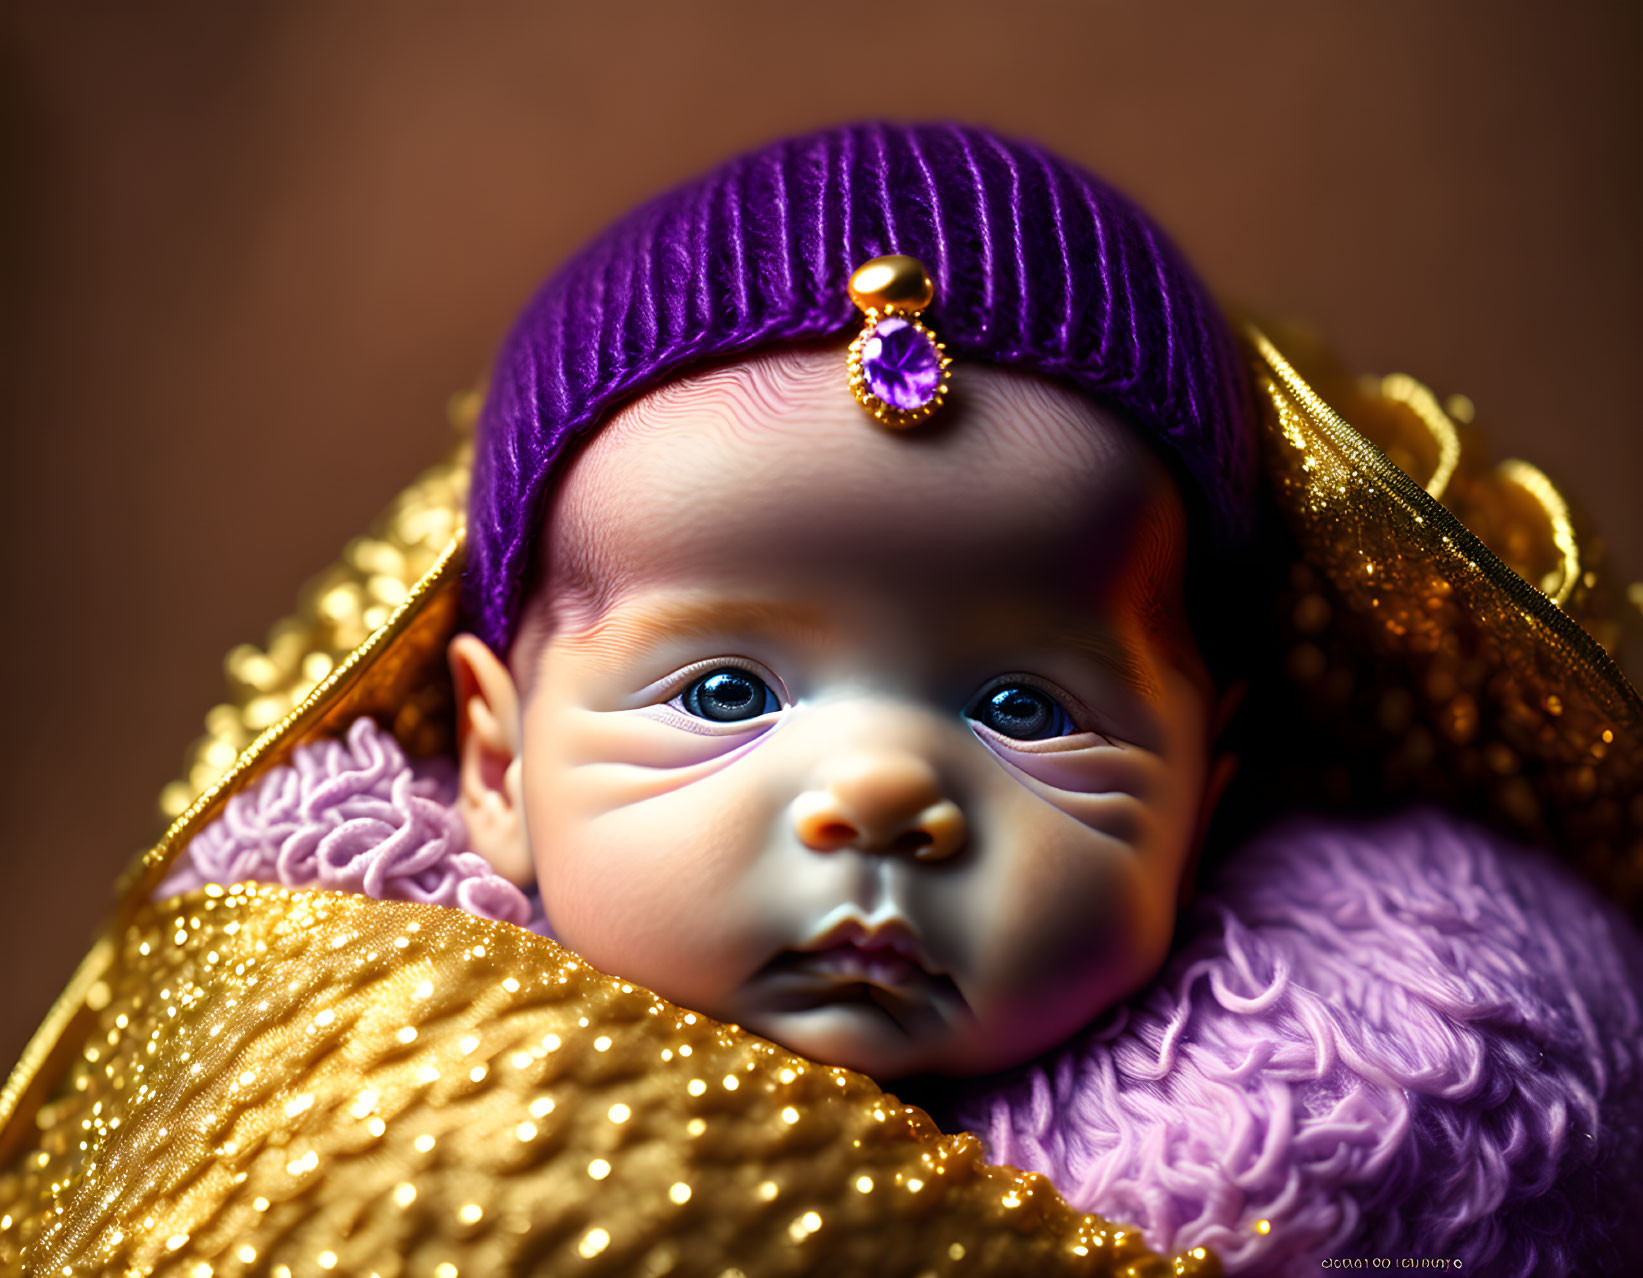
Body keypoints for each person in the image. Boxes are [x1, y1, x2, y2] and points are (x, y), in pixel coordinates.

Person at [6, 122, 1641, 1277]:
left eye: (1020, 704)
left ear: (1207, 798)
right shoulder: (334, 1090)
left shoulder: (1379, 1150)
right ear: (497, 763)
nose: (879, 795)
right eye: (724, 686)